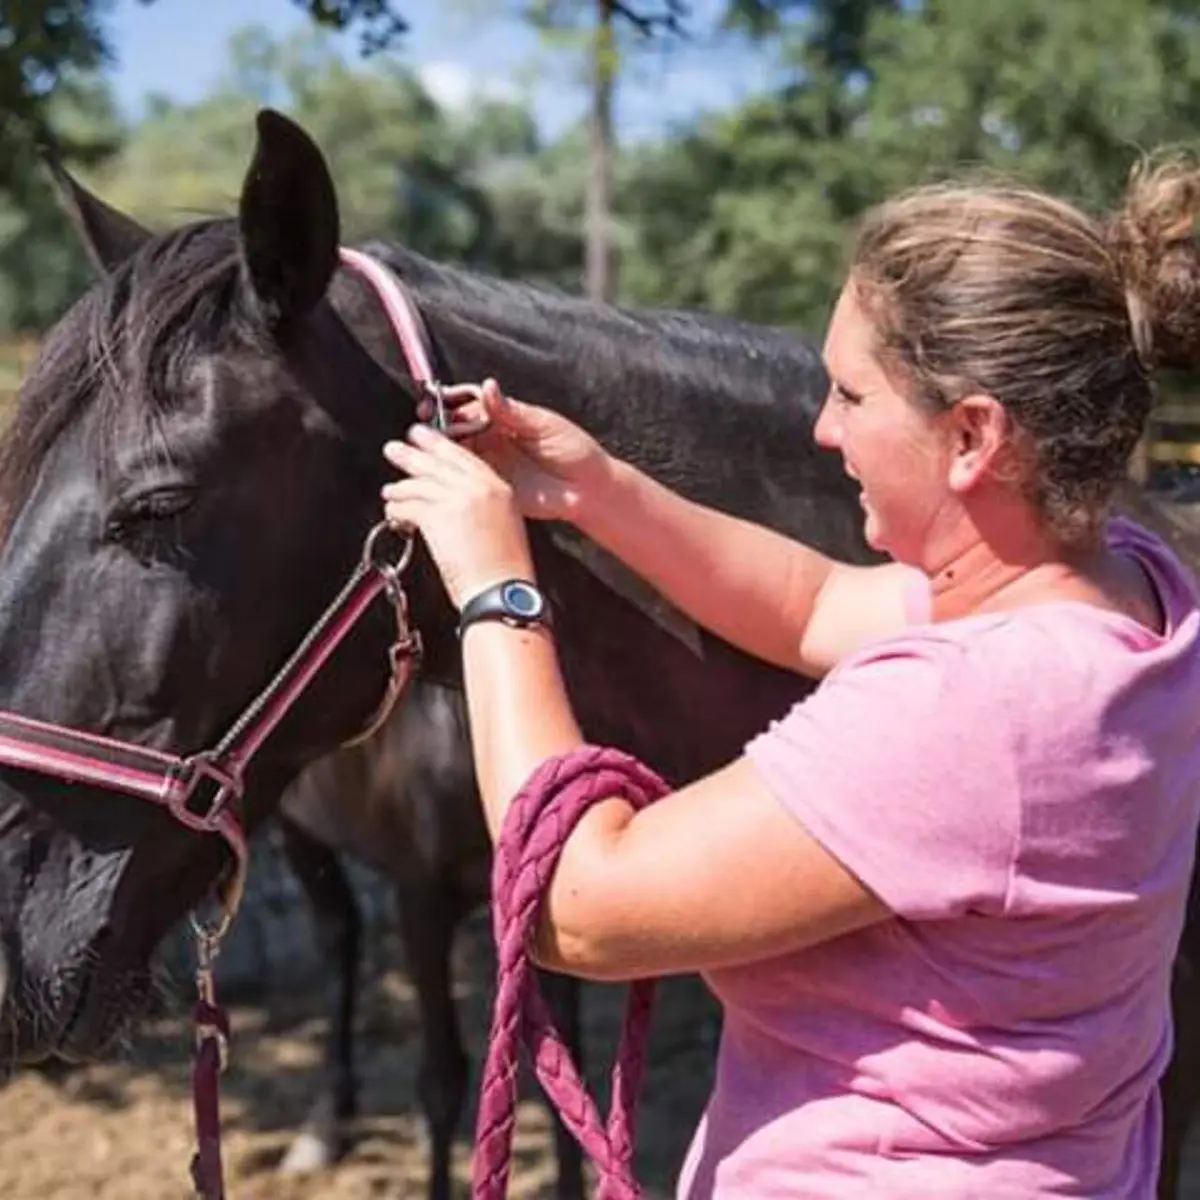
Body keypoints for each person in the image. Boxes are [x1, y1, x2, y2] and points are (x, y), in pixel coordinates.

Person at [379, 157, 1200, 1198]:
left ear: (972, 434)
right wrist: (597, 489)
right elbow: (815, 605)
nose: (824, 427)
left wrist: (496, 587)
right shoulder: (1131, 593)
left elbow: (575, 904)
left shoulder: (967, 711)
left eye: (852, 394)